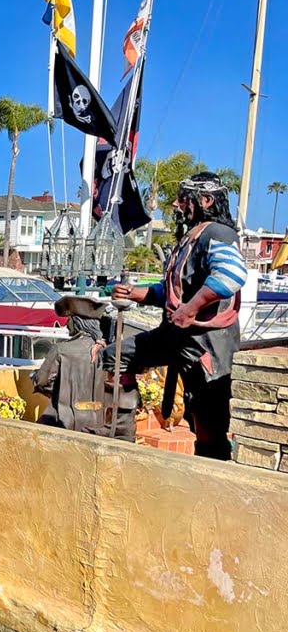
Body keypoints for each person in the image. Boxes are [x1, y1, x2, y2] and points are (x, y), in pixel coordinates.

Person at [103, 172, 246, 460]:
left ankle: (211, 475)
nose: (178, 205)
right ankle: (123, 430)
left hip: (207, 345)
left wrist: (190, 309)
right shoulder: (189, 239)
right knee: (117, 356)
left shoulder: (218, 233)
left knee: (207, 423)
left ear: (205, 200)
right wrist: (135, 293)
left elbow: (232, 275)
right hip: (175, 336)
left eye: (184, 199)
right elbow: (170, 292)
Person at [32, 297, 107, 433]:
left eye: (69, 320)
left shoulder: (61, 349)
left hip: (64, 420)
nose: (67, 325)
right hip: (100, 421)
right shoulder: (108, 350)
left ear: (78, 322)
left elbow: (42, 381)